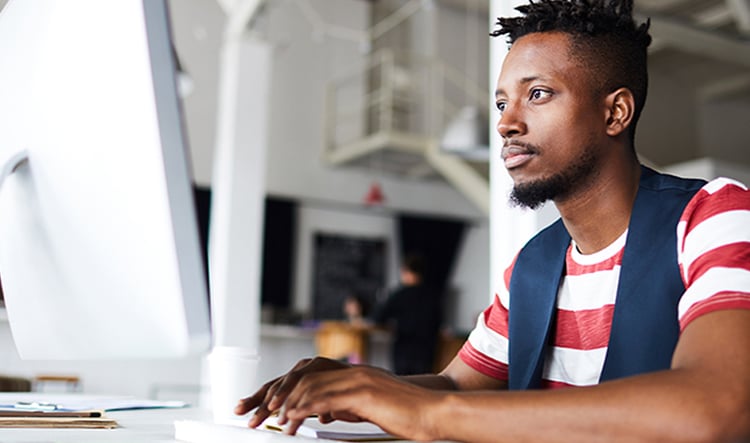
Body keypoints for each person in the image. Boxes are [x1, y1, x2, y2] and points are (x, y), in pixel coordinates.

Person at [235, 1, 750, 441]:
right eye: (503, 101)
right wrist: (365, 389)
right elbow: (459, 386)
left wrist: (429, 413)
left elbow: (719, 407)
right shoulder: (535, 263)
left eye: (538, 94)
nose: (506, 122)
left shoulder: (712, 216)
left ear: (615, 113)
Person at [371, 253, 442, 375]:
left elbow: (377, 318)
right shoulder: (433, 296)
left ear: (405, 271)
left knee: (402, 386)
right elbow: (439, 322)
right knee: (423, 386)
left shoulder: (399, 295)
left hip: (404, 349)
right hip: (427, 350)